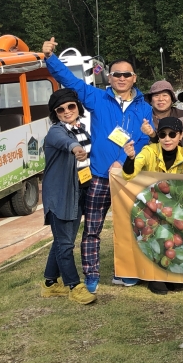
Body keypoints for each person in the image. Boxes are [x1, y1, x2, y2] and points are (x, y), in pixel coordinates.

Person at [42, 37, 152, 293]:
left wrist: (123, 161)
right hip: (100, 176)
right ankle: (91, 275)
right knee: (92, 229)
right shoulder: (98, 98)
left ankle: (126, 270)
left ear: (134, 77)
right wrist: (50, 58)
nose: (121, 78)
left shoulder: (144, 107)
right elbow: (70, 82)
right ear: (109, 77)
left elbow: (144, 138)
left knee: (132, 227)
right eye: (116, 74)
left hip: (128, 175)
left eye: (126, 74)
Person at [40, 88, 97, 305]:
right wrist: (76, 149)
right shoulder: (56, 131)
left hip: (79, 190)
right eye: (60, 109)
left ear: (77, 107)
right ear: (56, 113)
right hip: (61, 194)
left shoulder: (81, 129)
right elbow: (67, 143)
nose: (66, 111)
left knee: (63, 240)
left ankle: (49, 283)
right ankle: (74, 286)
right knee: (65, 244)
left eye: (71, 106)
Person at [122, 116, 183, 296]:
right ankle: (154, 276)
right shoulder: (149, 151)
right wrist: (130, 158)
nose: (167, 138)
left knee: (175, 239)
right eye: (162, 134)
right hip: (150, 206)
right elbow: (129, 174)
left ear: (180, 136)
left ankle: (170, 273)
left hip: (174, 207)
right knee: (155, 235)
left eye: (172, 134)